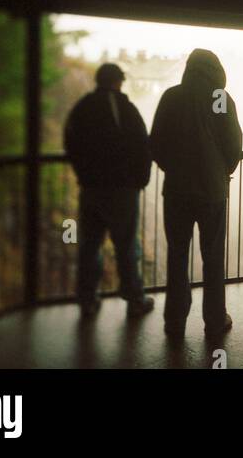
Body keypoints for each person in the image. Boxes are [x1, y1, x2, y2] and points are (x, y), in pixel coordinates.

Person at [150, 49, 242, 337]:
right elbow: (233, 143)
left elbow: (156, 143)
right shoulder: (219, 99)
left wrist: (173, 168)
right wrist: (221, 170)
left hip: (177, 190)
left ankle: (175, 321)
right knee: (213, 257)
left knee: (177, 255)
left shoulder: (172, 97)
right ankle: (215, 320)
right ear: (216, 70)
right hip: (213, 191)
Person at [64, 63, 155, 318]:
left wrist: (83, 174)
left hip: (91, 188)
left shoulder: (83, 107)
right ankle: (135, 299)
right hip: (121, 190)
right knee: (125, 245)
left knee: (90, 244)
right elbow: (141, 145)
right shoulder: (124, 108)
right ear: (118, 81)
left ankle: (87, 300)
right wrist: (140, 181)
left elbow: (70, 142)